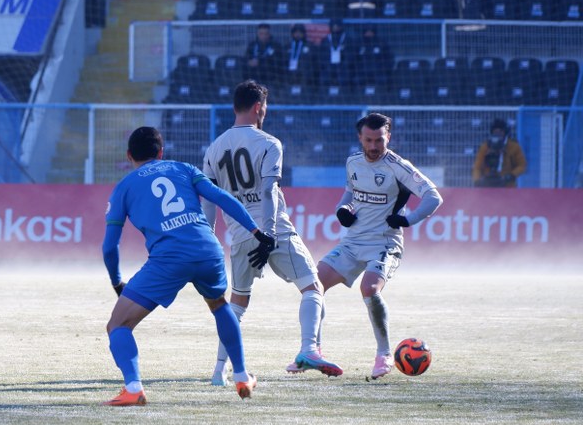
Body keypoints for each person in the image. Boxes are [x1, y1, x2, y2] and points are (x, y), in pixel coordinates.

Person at [101, 126, 276, 405]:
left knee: (117, 325)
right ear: (161, 152)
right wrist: (257, 232)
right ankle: (242, 375)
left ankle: (133, 388)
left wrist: (116, 281)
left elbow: (110, 247)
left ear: (129, 155)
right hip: (208, 249)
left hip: (168, 258)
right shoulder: (183, 168)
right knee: (219, 304)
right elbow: (222, 198)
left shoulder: (123, 187)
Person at [202, 81, 343, 384]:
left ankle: (218, 370)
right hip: (273, 230)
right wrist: (267, 234)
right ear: (258, 107)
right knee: (312, 287)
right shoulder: (269, 143)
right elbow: (267, 190)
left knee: (237, 304)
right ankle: (309, 350)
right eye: (264, 106)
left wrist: (211, 237)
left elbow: (209, 200)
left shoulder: (214, 149)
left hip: (239, 236)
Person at [317, 113, 443, 379]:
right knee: (314, 285)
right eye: (369, 140)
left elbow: (434, 196)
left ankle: (384, 354)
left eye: (379, 140)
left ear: (389, 138)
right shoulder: (352, 161)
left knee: (369, 289)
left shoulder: (399, 167)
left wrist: (409, 219)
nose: (374, 146)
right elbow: (350, 191)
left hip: (385, 242)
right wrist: (343, 208)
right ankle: (313, 352)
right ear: (360, 138)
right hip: (353, 241)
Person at [472, 118, 526, 188]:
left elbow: (522, 165)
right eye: (495, 131)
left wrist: (512, 175)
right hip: (487, 184)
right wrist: (477, 180)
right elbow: (477, 167)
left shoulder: (514, 147)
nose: (498, 134)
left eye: (500, 131)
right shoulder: (485, 147)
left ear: (505, 132)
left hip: (507, 185)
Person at [283, 23, 316, 88]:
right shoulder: (287, 46)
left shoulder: (310, 46)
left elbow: (312, 63)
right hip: (289, 74)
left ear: (303, 33)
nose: (298, 34)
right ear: (292, 33)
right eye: (296, 32)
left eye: (300, 32)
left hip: (303, 75)